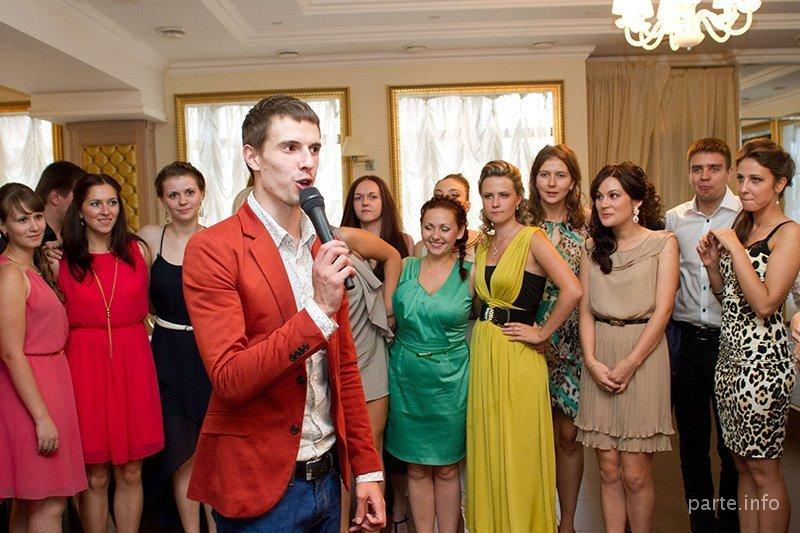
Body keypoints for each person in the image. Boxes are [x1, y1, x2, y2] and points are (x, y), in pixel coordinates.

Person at [182, 95, 385, 532]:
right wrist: (318, 311)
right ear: (252, 157)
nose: (306, 162)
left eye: (314, 148)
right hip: (258, 483)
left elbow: (344, 367)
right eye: (289, 147)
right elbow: (230, 379)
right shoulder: (213, 248)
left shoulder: (322, 243)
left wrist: (366, 469)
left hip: (327, 479)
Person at [467, 160, 582, 533]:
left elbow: (572, 289)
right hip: (485, 349)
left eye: (503, 195)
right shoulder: (484, 243)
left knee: (518, 449)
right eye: (488, 196)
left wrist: (543, 332)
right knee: (490, 445)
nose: (495, 202)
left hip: (517, 354)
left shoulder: (532, 238)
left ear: (518, 198)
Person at [698, 138, 800, 532]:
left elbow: (766, 303)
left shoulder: (788, 233)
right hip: (730, 361)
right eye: (740, 178)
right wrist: (713, 266)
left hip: (764, 366)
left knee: (764, 469)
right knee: (740, 463)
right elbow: (731, 299)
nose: (744, 187)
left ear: (780, 184)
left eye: (756, 179)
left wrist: (736, 250)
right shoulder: (744, 226)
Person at [57, 173, 164, 533]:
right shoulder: (60, 259)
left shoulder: (139, 251)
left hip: (133, 361)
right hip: (84, 365)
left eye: (112, 202)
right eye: (95, 203)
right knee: (96, 474)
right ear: (80, 211)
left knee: (132, 470)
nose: (106, 211)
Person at [575, 162, 678, 533]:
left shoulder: (663, 243)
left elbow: (663, 311)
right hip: (600, 352)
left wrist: (631, 362)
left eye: (614, 195)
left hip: (644, 355)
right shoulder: (592, 248)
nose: (604, 203)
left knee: (635, 473)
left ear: (636, 201)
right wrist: (591, 361)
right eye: (599, 196)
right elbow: (585, 311)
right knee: (608, 468)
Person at [0, 183, 87, 532]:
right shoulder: (10, 274)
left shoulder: (32, 267)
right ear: (3, 226)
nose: (34, 226)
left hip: (49, 381)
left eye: (37, 217)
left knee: (31, 501)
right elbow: (10, 351)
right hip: (31, 390)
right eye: (22, 220)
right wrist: (41, 417)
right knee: (49, 502)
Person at [385, 196, 473, 533]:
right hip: (406, 378)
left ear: (460, 231)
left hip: (451, 382)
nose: (436, 235)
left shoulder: (472, 273)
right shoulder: (404, 265)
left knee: (448, 469)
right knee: (416, 468)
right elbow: (383, 316)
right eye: (428, 227)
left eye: (445, 228)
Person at [665, 138, 740, 533]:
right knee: (692, 445)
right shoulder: (674, 218)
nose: (705, 176)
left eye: (713, 168)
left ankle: (730, 520)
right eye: (697, 169)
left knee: (731, 447)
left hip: (731, 342)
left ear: (728, 172)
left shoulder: (744, 215)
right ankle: (702, 523)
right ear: (689, 172)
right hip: (686, 341)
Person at [137, 162, 214, 533]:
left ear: (201, 194)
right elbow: (128, 288)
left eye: (189, 192)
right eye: (173, 194)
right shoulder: (150, 238)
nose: (183, 201)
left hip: (210, 353)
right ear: (162, 200)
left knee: (213, 455)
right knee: (182, 455)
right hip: (167, 354)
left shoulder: (217, 239)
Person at [527, 144, 587, 533]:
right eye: (544, 174)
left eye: (560, 175)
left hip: (572, 342)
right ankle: (538, 520)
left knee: (568, 436)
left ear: (572, 181)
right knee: (533, 435)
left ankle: (567, 522)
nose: (552, 183)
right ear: (534, 179)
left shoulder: (588, 228)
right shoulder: (520, 223)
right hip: (527, 339)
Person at [333, 225, 401, 532]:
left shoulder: (342, 235)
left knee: (371, 451)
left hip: (369, 353)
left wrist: (388, 306)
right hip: (331, 358)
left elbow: (393, 256)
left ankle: (372, 527)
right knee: (340, 455)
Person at [1, 161, 84, 254]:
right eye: (22, 220)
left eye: (38, 217)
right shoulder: (10, 246)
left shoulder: (77, 234)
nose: (35, 228)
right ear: (55, 197)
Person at [341, 175, 414, 272]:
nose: (365, 203)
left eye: (372, 197)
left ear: (384, 202)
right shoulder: (341, 242)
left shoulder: (405, 241)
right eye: (358, 198)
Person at [413, 173, 482, 260]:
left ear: (467, 206)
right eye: (439, 196)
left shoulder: (482, 242)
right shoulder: (421, 248)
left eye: (454, 195)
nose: (446, 200)